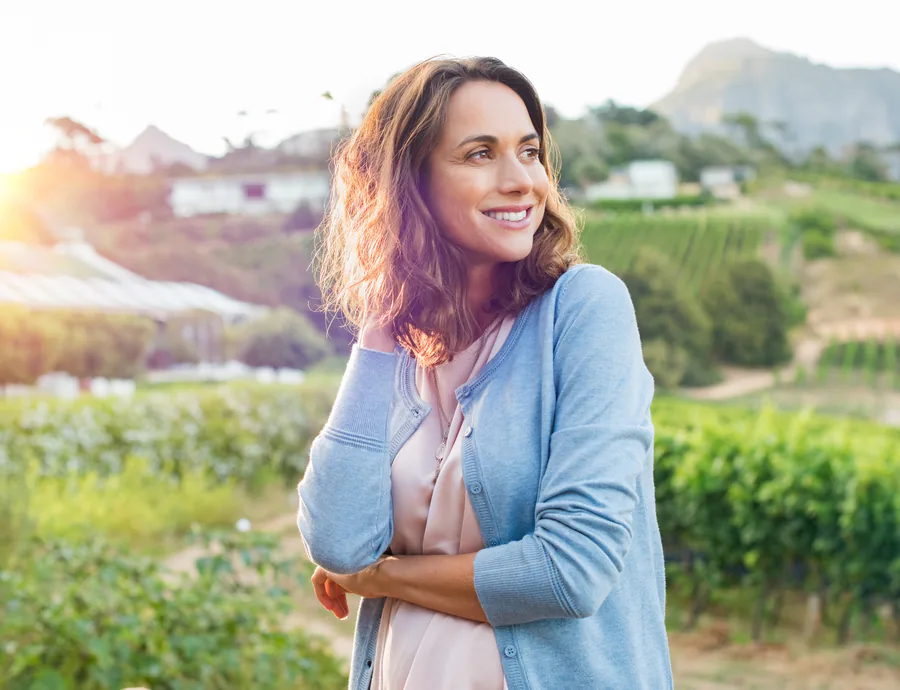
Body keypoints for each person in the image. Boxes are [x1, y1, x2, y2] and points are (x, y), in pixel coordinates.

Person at [296, 55, 673, 690]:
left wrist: (383, 577)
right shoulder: (400, 355)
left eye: (529, 152)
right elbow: (338, 542)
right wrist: (380, 325)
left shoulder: (582, 308)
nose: (521, 179)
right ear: (408, 185)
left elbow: (569, 570)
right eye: (479, 154)